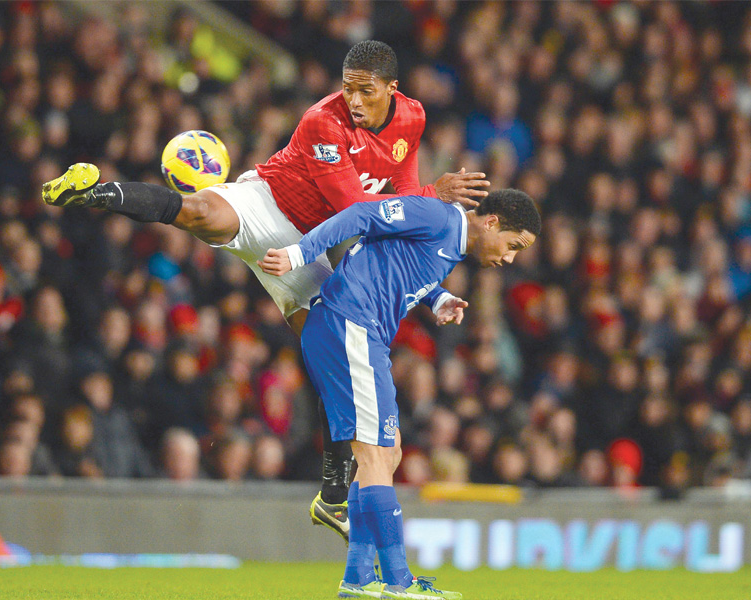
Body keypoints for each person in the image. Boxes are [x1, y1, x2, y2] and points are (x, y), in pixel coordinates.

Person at [40, 40, 489, 542]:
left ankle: (333, 499)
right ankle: (100, 189)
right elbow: (354, 205)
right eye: (348, 90)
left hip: (311, 249)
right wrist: (435, 195)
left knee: (334, 356)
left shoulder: (413, 118)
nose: (355, 101)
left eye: (366, 92)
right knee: (202, 214)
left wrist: (434, 292)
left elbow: (399, 200)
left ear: (392, 90)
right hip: (268, 205)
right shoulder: (323, 121)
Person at [259, 189, 540, 598]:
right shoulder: (439, 216)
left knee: (388, 454)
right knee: (375, 454)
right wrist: (301, 254)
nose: (510, 257)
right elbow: (360, 215)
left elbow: (396, 261)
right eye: (513, 245)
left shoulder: (449, 243)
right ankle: (398, 580)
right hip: (349, 325)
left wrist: (437, 297)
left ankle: (358, 577)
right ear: (492, 222)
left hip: (361, 334)